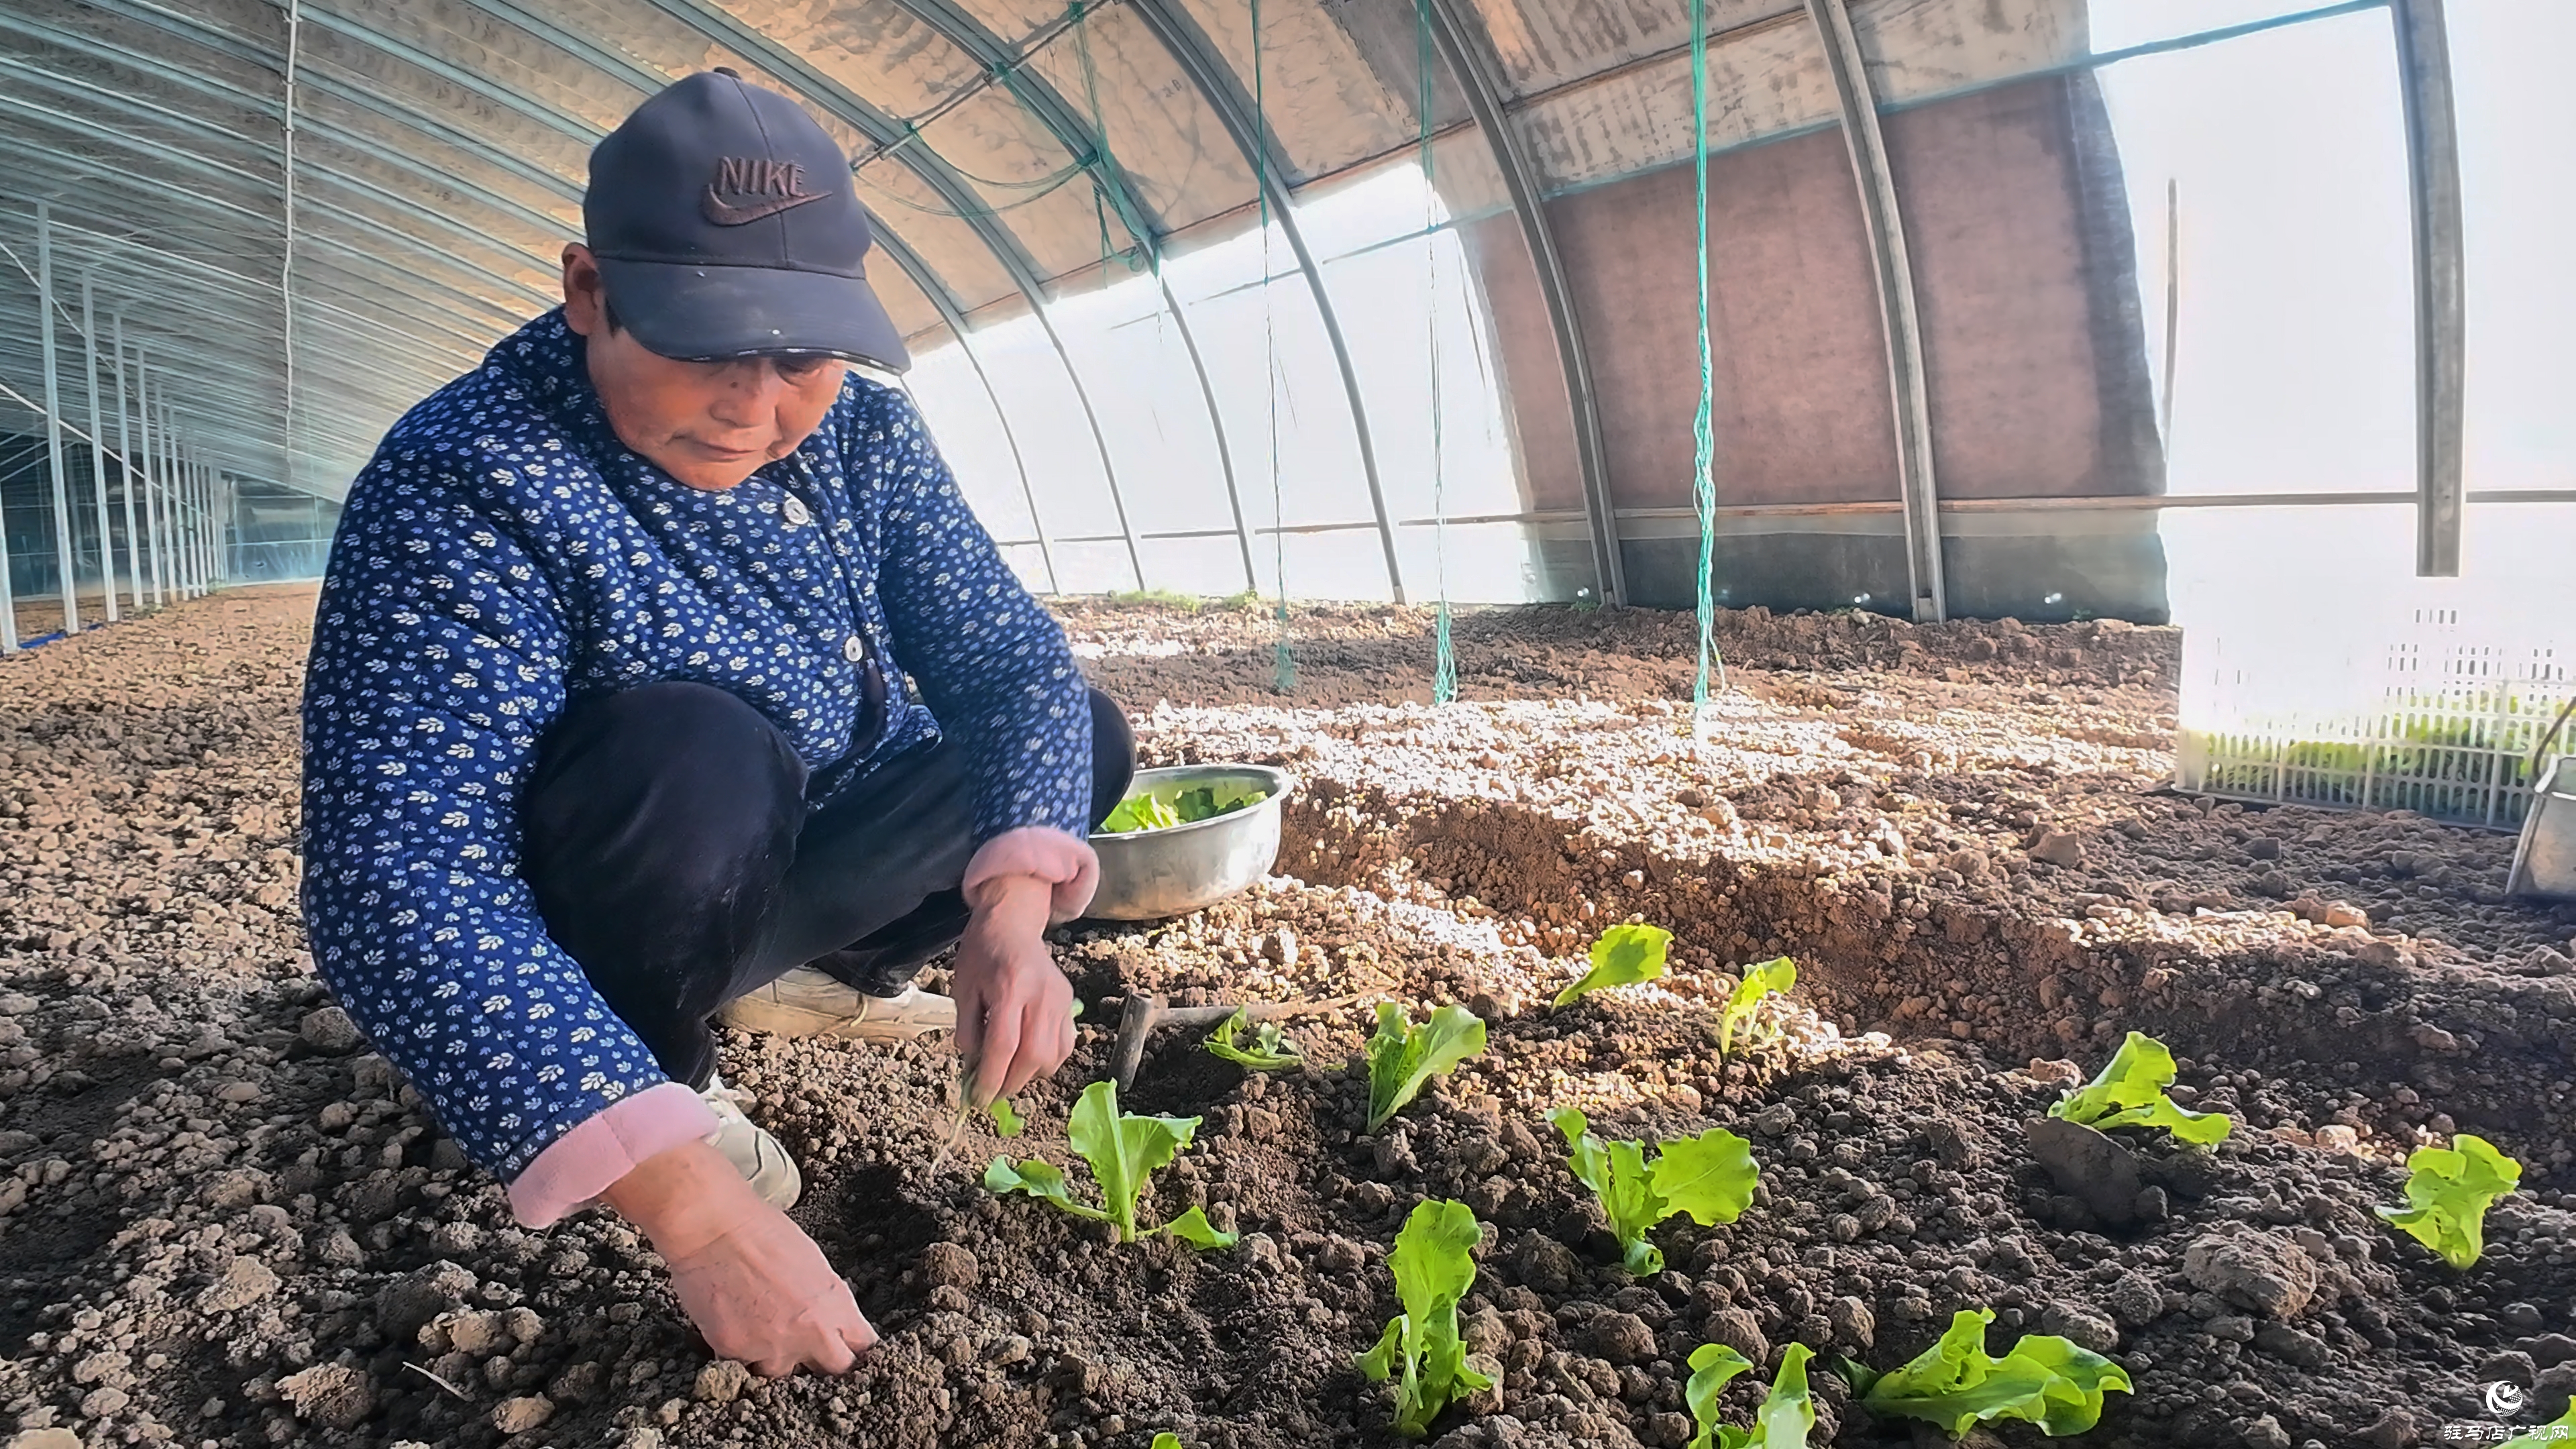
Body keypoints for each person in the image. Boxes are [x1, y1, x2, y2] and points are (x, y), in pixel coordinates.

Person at [299, 70, 1128, 1377]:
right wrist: (692, 1209)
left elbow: (1007, 665)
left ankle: (832, 974)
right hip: (617, 888)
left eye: (802, 356)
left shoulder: (863, 438)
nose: (756, 404)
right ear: (588, 293)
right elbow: (394, 876)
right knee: (699, 755)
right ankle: (660, 1069)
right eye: (701, 344)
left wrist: (1013, 916)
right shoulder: (471, 482)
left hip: (797, 843)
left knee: (1075, 728)